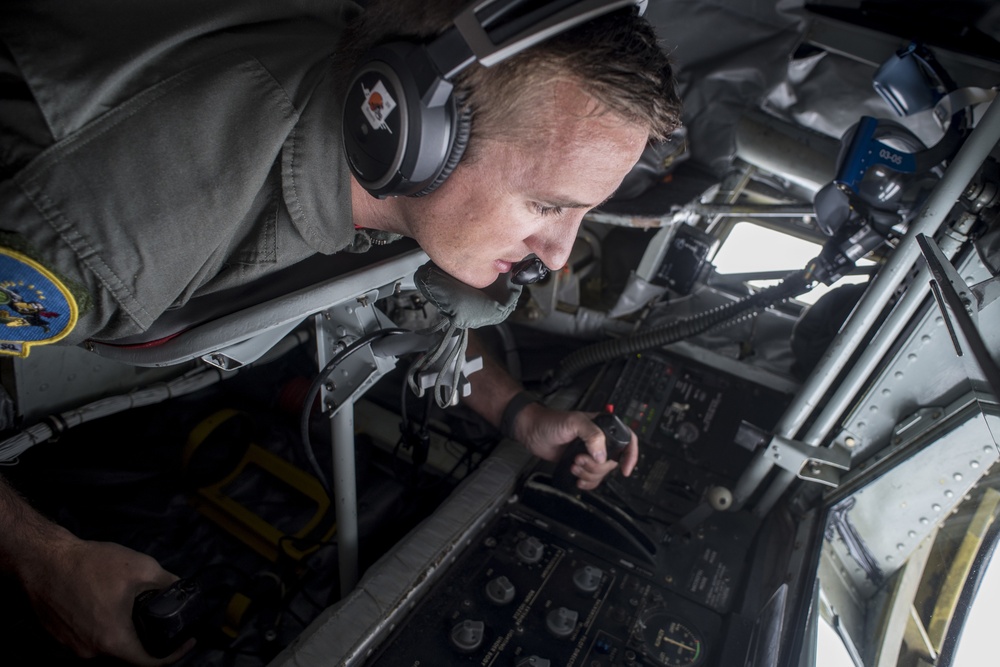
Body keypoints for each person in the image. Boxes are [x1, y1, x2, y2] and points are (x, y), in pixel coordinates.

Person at [0, 0, 682, 663]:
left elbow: (397, 295)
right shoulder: (126, 229)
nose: (560, 252)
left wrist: (519, 411)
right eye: (545, 203)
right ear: (420, 136)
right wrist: (46, 561)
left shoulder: (391, 176)